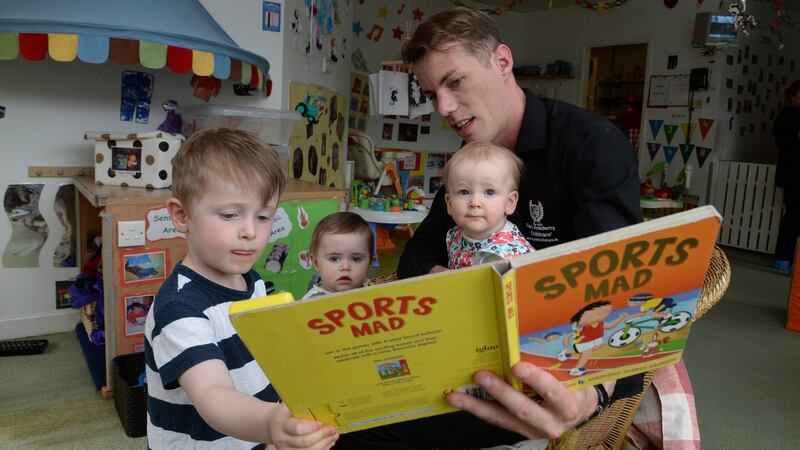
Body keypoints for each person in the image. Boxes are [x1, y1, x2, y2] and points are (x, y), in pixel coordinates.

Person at [386, 6, 655, 446]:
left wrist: (596, 394)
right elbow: (416, 256)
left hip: (555, 363)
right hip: (465, 348)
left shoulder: (593, 147)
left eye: (455, 82)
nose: (445, 108)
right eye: (432, 93)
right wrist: (455, 284)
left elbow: (625, 294)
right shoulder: (470, 163)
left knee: (362, 431)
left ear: (502, 62)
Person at [144, 128, 338, 450]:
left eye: (263, 217)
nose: (250, 231)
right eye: (230, 215)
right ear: (181, 215)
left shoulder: (252, 280)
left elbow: (263, 359)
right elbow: (214, 395)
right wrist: (271, 423)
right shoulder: (179, 308)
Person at [442, 141, 534, 268]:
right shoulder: (455, 235)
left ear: (509, 203)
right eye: (464, 192)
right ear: (449, 203)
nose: (475, 202)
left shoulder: (509, 256)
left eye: (489, 192)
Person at [303, 212, 373, 299]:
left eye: (356, 259)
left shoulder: (373, 295)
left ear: (370, 264)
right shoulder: (312, 304)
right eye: (334, 259)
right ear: (317, 263)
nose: (345, 267)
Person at [772, 80, 800, 274]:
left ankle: (786, 259)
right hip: (794, 174)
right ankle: (783, 259)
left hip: (794, 173)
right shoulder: (788, 115)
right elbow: (788, 143)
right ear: (793, 96)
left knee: (794, 216)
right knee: (794, 217)